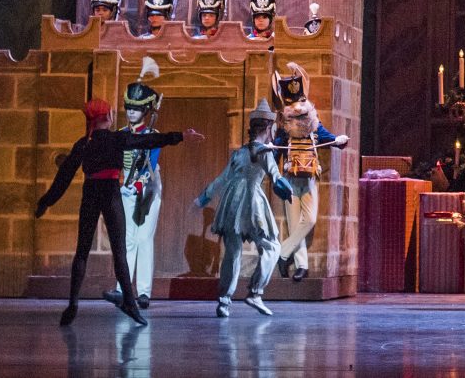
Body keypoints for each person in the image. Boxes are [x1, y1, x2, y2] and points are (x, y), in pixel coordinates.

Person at [33, 98, 200, 326]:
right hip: (110, 194)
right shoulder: (116, 139)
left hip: (91, 193)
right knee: (119, 252)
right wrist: (180, 136)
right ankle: (130, 304)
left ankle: (73, 304)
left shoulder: (84, 144)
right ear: (109, 118)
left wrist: (46, 201)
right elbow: (150, 140)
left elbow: (64, 176)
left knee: (82, 251)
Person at [196, 101, 296, 316]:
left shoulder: (239, 152)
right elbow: (276, 178)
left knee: (232, 252)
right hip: (252, 202)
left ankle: (224, 301)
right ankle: (255, 292)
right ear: (268, 128)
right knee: (271, 247)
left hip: (232, 202)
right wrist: (288, 191)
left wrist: (204, 198)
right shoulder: (265, 153)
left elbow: (222, 179)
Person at [269, 56, 348, 282]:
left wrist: (338, 140)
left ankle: (282, 255)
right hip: (290, 179)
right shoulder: (284, 129)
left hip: (310, 177)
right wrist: (272, 172)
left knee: (309, 220)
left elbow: (328, 138)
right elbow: (276, 151)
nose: (299, 109)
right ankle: (301, 266)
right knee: (295, 223)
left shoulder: (314, 125)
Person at [101, 64, 168, 312]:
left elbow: (151, 163)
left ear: (146, 110)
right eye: (129, 107)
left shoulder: (153, 133)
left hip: (148, 188)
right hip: (125, 188)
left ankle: (143, 293)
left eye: (137, 109)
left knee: (143, 238)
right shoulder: (119, 134)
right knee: (127, 239)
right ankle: (122, 289)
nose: (131, 112)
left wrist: (137, 184)